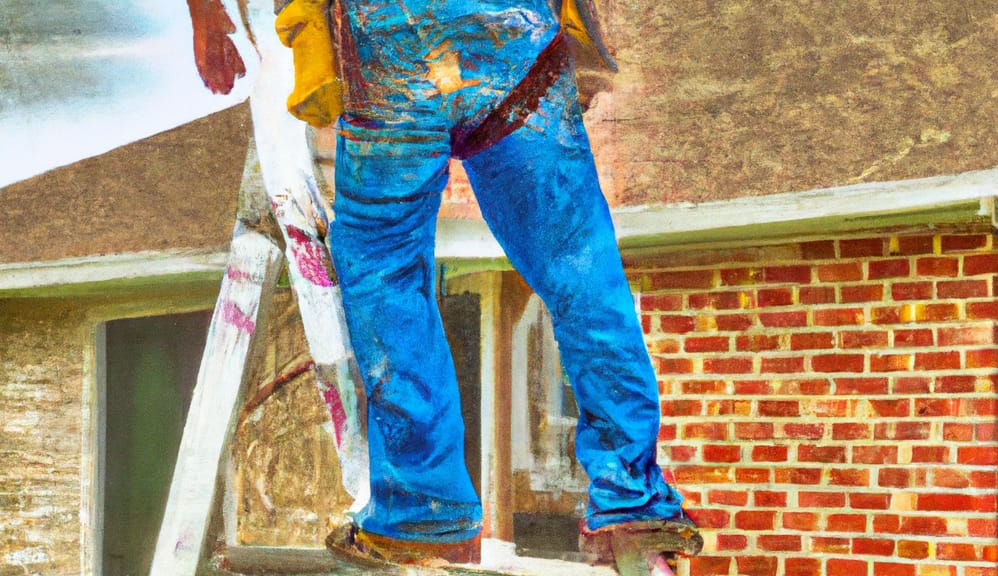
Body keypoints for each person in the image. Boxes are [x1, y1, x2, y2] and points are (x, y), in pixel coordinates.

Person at [188, 0, 701, 566]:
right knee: (579, 265)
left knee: (385, 272)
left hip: (392, 48)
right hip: (513, 39)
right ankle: (632, 499)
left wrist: (206, 20)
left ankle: (423, 511)